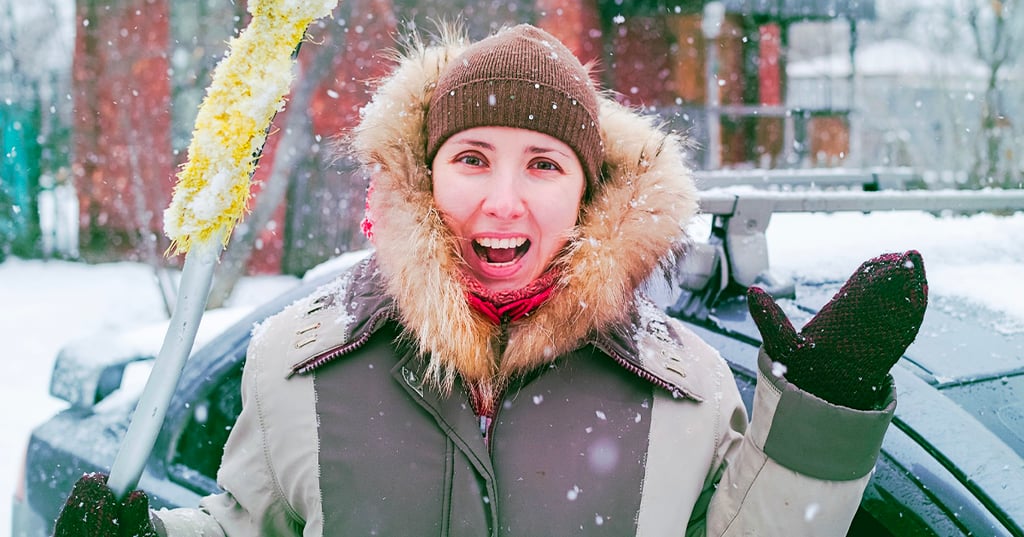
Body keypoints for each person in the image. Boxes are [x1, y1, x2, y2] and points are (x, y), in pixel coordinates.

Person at [54, 23, 928, 536]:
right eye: (471, 157)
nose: (502, 202)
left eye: (544, 165)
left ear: (589, 194)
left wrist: (822, 410)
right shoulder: (298, 363)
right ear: (425, 177)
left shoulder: (686, 386)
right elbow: (249, 523)